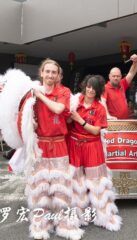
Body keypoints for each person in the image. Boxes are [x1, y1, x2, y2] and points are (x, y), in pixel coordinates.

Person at [24, 58, 83, 240]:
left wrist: (40, 95)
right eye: (47, 71)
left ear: (58, 75)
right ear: (41, 73)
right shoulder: (29, 94)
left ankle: (66, 226)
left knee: (61, 187)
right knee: (40, 188)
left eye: (53, 72)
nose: (50, 75)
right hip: (39, 145)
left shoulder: (63, 91)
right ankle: (41, 226)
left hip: (58, 144)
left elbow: (59, 109)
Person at [67, 75, 122, 231]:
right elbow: (67, 122)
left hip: (92, 146)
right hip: (75, 145)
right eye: (88, 86)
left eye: (94, 88)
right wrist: (71, 118)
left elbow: (95, 131)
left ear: (98, 91)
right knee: (76, 182)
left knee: (97, 182)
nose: (90, 90)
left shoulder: (99, 108)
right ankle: (79, 216)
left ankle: (103, 217)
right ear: (84, 86)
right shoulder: (75, 102)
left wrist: (79, 119)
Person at [101, 54, 137, 119]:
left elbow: (131, 73)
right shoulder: (105, 88)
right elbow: (102, 102)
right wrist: (107, 116)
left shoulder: (122, 84)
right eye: (113, 76)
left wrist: (135, 61)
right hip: (113, 123)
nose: (116, 78)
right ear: (109, 76)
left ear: (121, 76)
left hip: (125, 122)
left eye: (118, 76)